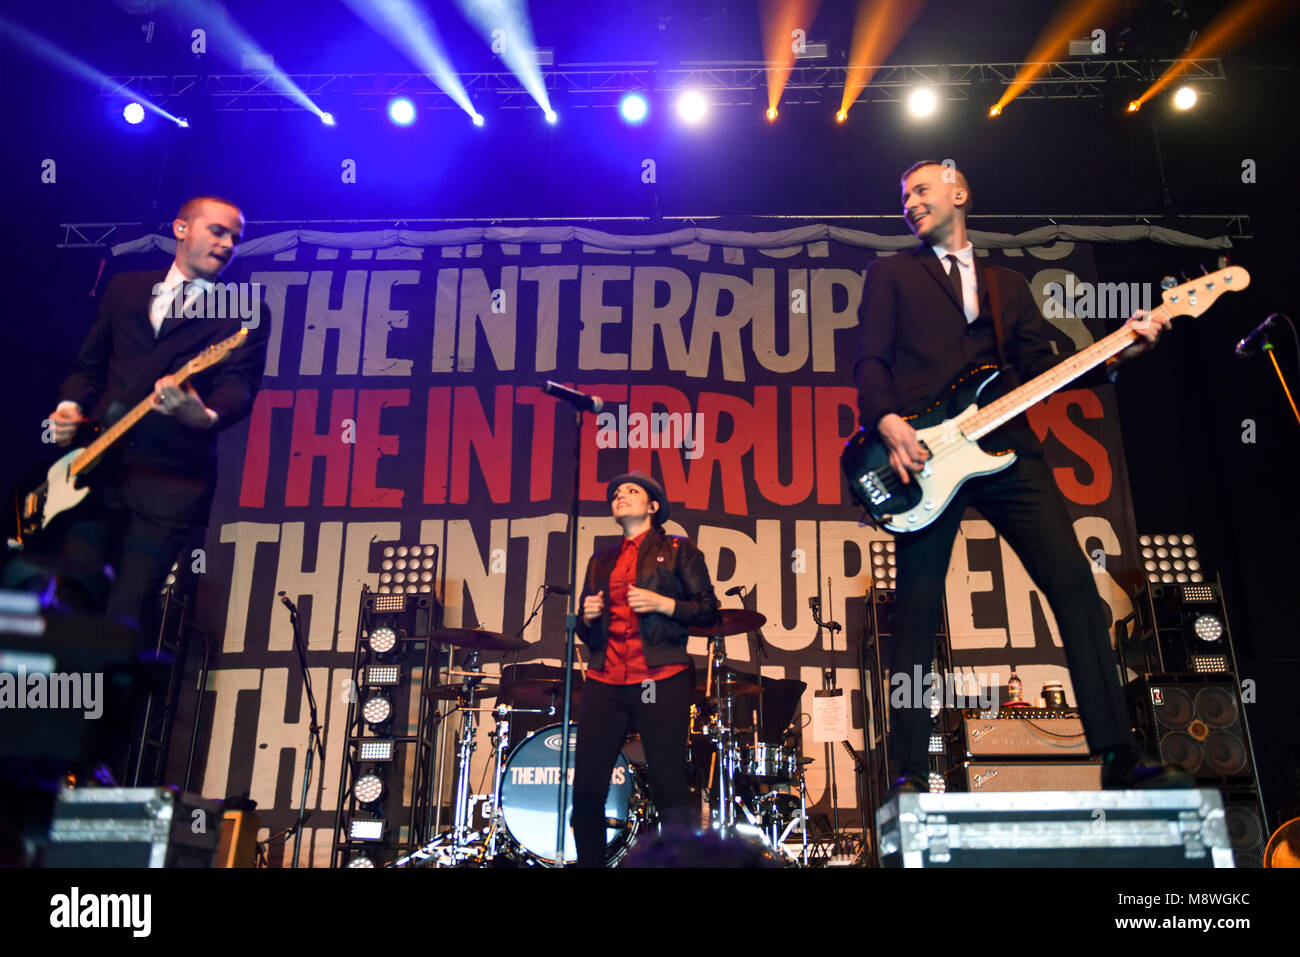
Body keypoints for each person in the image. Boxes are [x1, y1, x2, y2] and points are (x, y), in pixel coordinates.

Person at [855, 161, 1190, 793]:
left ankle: (1118, 753)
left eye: (922, 191)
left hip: (1008, 447)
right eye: (904, 196)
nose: (910, 203)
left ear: (960, 195)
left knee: (1075, 590)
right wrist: (887, 422)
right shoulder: (891, 273)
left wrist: (1123, 350)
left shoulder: (1008, 284)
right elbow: (869, 358)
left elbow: (1046, 368)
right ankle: (906, 770)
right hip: (925, 456)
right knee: (918, 611)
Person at [36, 195, 267, 630]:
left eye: (235, 238)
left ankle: (107, 697)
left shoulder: (243, 311)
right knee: (70, 601)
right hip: (93, 471)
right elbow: (88, 366)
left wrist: (204, 416)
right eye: (217, 231)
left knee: (125, 614)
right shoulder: (126, 288)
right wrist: (69, 408)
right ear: (181, 229)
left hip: (170, 480)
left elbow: (240, 387)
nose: (227, 244)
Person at [572, 471, 720, 866]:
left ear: (653, 506)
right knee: (586, 790)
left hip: (659, 678)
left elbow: (708, 612)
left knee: (669, 787)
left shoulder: (678, 550)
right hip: (605, 679)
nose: (620, 496)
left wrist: (663, 604)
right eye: (615, 492)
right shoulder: (599, 561)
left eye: (631, 491)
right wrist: (586, 618)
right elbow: (589, 635)